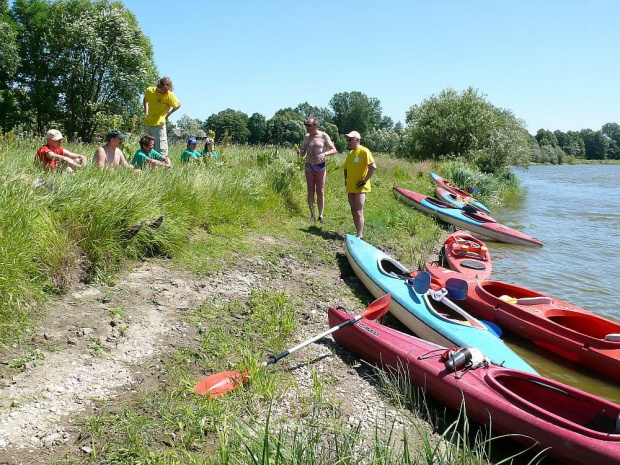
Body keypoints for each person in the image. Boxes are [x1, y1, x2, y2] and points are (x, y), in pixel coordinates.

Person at [297, 117, 337, 222]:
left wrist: (325, 153)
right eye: (306, 125)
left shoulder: (323, 136)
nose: (307, 127)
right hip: (309, 165)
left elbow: (334, 150)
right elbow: (303, 150)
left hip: (320, 166)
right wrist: (301, 153)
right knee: (310, 190)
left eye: (309, 125)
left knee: (320, 190)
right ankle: (312, 214)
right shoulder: (306, 137)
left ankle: (321, 215)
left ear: (316, 125)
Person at [343, 131, 376, 239]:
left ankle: (359, 234)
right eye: (347, 140)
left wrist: (364, 181)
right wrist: (346, 180)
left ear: (357, 140)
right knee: (353, 210)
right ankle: (357, 232)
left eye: (350, 140)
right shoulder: (351, 153)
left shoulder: (364, 151)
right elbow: (346, 168)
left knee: (358, 211)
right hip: (351, 186)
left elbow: (373, 166)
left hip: (360, 187)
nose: (348, 142)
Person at [143, 76, 181, 156]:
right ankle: (151, 165)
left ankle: (163, 165)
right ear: (161, 87)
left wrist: (168, 114)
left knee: (161, 149)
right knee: (149, 147)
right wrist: (146, 112)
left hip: (159, 125)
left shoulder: (169, 95)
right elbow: (145, 100)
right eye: (166, 89)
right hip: (149, 124)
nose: (167, 91)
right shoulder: (149, 91)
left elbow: (178, 105)